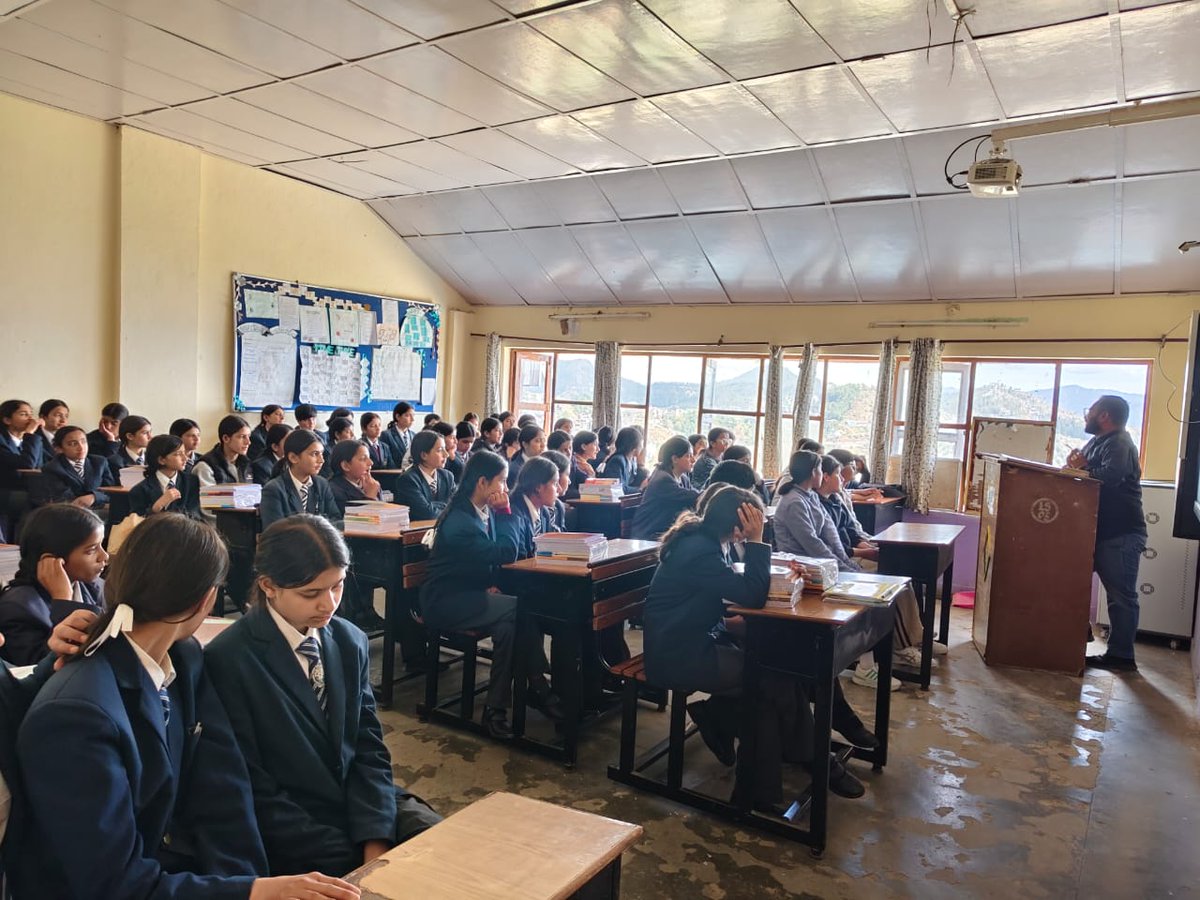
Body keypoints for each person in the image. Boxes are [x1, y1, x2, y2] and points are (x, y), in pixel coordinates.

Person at [15, 513, 360, 899]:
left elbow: (223, 787)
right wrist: (250, 892)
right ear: (206, 600)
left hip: (178, 872)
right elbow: (111, 884)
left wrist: (247, 882)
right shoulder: (77, 715)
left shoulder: (183, 655)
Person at [204, 516, 442, 877]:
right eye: (311, 593)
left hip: (360, 799)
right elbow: (252, 785)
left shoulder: (349, 640)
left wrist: (375, 835)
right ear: (269, 586)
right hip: (294, 821)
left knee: (448, 848)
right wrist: (353, 852)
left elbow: (368, 746)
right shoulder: (230, 658)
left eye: (338, 586)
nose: (328, 604)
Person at [642, 486, 867, 810]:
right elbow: (750, 595)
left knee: (778, 675)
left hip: (700, 639)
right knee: (774, 678)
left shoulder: (710, 541)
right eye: (752, 524)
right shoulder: (700, 549)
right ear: (737, 527)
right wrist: (757, 541)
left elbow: (733, 589)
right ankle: (815, 762)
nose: (756, 529)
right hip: (678, 655)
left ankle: (761, 779)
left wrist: (772, 563)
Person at [420, 451, 540, 740]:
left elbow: (494, 556)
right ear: (483, 482)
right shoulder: (460, 520)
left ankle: (496, 709)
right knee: (520, 610)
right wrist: (506, 513)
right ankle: (539, 686)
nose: (506, 490)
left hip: (470, 594)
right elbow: (504, 552)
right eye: (502, 482)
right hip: (446, 601)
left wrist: (489, 582)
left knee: (508, 626)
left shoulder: (478, 511)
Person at [1068, 395, 1147, 671]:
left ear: (1104, 416)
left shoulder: (1120, 443)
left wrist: (1081, 466)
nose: (1086, 416)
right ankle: (1077, 635)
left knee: (1121, 598)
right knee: (1071, 582)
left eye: (1090, 411)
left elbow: (1109, 478)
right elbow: (1085, 474)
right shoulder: (1098, 442)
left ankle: (1122, 657)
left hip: (1120, 535)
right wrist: (1073, 465)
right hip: (1099, 533)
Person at [0, 504, 106, 666]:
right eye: (91, 550)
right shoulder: (18, 607)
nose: (104, 556)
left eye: (101, 545)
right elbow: (48, 671)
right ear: (52, 560)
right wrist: (63, 602)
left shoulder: (93, 586)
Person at [260, 429, 339, 528]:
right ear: (293, 457)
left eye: (321, 454)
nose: (321, 460)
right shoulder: (274, 489)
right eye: (314, 454)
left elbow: (335, 519)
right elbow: (274, 531)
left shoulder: (321, 484)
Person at [631, 436, 698, 541]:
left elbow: (694, 497)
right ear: (675, 459)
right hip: (649, 534)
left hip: (666, 531)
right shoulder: (662, 479)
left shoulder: (683, 478)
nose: (694, 460)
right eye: (688, 456)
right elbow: (692, 497)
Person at [32, 425, 115, 509]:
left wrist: (94, 497)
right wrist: (99, 501)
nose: (81, 447)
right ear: (59, 448)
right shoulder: (52, 468)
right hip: (71, 513)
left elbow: (111, 492)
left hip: (101, 509)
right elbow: (64, 499)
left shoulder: (99, 462)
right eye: (73, 444)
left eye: (83, 441)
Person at [128, 434, 203, 520]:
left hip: (185, 531)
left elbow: (194, 513)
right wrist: (156, 508)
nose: (185, 458)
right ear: (161, 460)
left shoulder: (191, 481)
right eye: (178, 454)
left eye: (184, 452)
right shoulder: (140, 489)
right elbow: (137, 521)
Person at [394, 431, 454, 522]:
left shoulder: (447, 476)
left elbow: (459, 506)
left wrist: (432, 505)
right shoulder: (408, 479)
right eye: (439, 450)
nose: (446, 454)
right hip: (417, 533)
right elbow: (427, 513)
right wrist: (447, 506)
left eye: (445, 449)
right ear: (424, 455)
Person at [192, 415, 252, 487]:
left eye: (249, 436)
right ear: (226, 438)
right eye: (242, 437)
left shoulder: (245, 463)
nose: (248, 442)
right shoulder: (205, 466)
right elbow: (210, 497)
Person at [326, 440, 382, 518]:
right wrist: (370, 497)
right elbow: (351, 521)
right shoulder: (333, 489)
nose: (371, 463)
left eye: (369, 458)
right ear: (346, 466)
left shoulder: (372, 484)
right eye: (363, 459)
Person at [0, 400, 45, 490]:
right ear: (7, 420)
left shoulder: (34, 440)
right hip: (7, 492)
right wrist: (30, 433)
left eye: (31, 414)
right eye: (24, 414)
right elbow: (27, 464)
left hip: (31, 490)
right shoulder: (2, 440)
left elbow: (38, 467)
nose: (31, 419)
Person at [105, 414, 153, 482]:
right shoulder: (114, 461)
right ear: (130, 436)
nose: (150, 437)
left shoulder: (154, 458)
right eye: (145, 433)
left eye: (150, 432)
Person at [597, 426, 641, 493]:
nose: (641, 448)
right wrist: (640, 489)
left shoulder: (631, 461)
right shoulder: (617, 461)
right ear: (633, 446)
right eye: (640, 444)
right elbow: (619, 488)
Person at [506, 425, 545, 489]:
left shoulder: (545, 463)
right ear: (525, 444)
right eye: (538, 441)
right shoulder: (515, 470)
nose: (543, 445)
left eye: (544, 440)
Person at [564, 429, 599, 500]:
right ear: (583, 447)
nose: (598, 449)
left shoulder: (586, 465)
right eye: (595, 445)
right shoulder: (574, 463)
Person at [381, 402, 417, 468]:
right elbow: (387, 459)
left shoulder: (414, 435)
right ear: (398, 416)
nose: (412, 419)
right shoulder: (387, 435)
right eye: (408, 415)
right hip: (394, 474)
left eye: (413, 415)